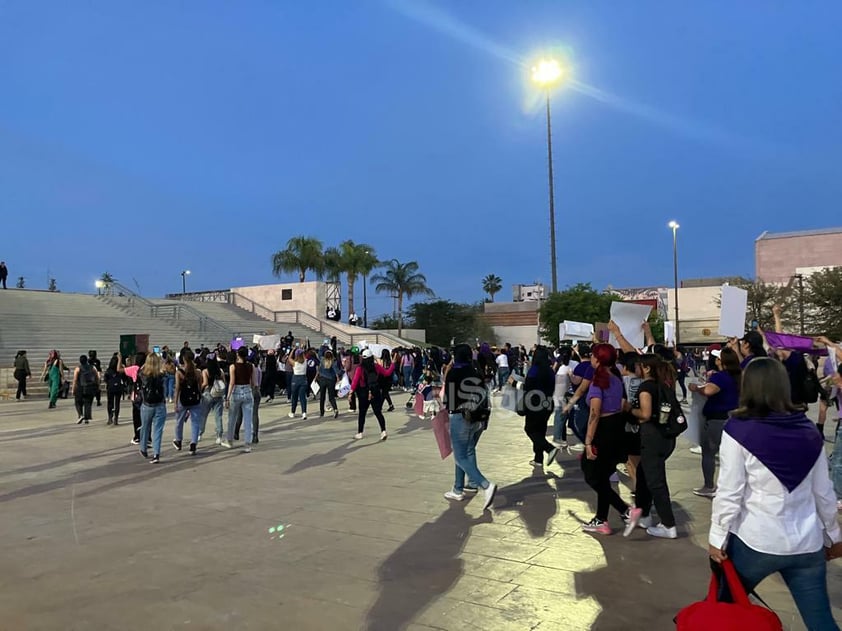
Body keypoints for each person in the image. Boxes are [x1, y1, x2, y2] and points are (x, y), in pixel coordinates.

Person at [708, 358, 842, 630]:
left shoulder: (737, 430)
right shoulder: (809, 432)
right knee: (821, 622)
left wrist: (717, 537)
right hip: (807, 544)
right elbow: (824, 493)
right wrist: (834, 536)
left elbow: (730, 493)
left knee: (722, 613)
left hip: (755, 543)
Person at [624, 354, 679, 539]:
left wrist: (629, 409)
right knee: (643, 474)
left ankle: (668, 524)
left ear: (646, 368)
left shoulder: (646, 386)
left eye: (639, 366)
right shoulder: (663, 384)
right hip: (665, 438)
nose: (636, 369)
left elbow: (645, 414)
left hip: (652, 438)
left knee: (656, 482)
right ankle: (644, 515)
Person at [580, 344, 631, 535]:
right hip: (616, 428)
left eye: (594, 356)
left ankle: (624, 510)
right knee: (602, 476)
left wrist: (588, 442)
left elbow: (594, 413)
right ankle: (602, 519)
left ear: (598, 359)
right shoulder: (616, 378)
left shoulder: (598, 383)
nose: (591, 359)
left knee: (591, 474)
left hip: (603, 431)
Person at [442, 344, 497, 510]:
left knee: (460, 456)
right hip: (476, 418)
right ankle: (458, 488)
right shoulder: (475, 371)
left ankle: (485, 485)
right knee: (468, 450)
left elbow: (449, 398)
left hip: (459, 417)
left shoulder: (454, 373)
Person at [689, 347, 741, 497]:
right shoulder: (737, 375)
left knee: (709, 452)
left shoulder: (721, 377)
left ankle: (709, 485)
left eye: (718, 358)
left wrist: (696, 388)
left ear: (721, 361)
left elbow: (708, 391)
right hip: (734, 417)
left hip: (717, 419)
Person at [511, 346, 559, 467]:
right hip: (547, 403)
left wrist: (514, 383)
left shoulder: (534, 370)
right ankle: (538, 458)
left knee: (530, 429)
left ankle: (550, 449)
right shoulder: (550, 371)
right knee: (540, 430)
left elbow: (528, 387)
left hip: (535, 404)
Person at [350, 348, 395, 441]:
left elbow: (355, 380)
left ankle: (360, 433)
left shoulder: (360, 368)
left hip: (363, 392)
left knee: (362, 413)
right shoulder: (376, 367)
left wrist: (351, 392)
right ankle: (383, 431)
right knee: (378, 412)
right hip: (375, 391)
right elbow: (387, 373)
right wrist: (393, 364)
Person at [223, 346, 257, 452]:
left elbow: (232, 382)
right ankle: (247, 444)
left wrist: (227, 397)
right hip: (247, 391)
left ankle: (230, 440)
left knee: (232, 418)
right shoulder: (251, 366)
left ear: (238, 354)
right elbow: (254, 382)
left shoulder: (233, 366)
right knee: (248, 419)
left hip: (236, 391)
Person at [172, 349, 205, 455]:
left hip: (183, 399)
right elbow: (200, 387)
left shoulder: (179, 373)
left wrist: (175, 402)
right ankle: (193, 444)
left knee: (179, 421)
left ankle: (178, 440)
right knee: (195, 422)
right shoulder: (198, 372)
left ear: (183, 359)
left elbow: (177, 388)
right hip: (195, 399)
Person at [138, 352, 168, 463]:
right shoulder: (161, 375)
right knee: (158, 430)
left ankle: (143, 448)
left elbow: (140, 372)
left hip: (147, 405)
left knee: (145, 427)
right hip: (160, 404)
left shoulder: (143, 374)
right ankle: (156, 454)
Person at [551, 347, 578, 446]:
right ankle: (557, 438)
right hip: (567, 393)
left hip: (558, 392)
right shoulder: (574, 364)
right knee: (562, 415)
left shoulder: (559, 365)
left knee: (560, 415)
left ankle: (559, 438)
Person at [200, 353, 226, 445]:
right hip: (218, 395)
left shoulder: (205, 371)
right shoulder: (220, 371)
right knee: (218, 417)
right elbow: (224, 382)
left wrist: (200, 388)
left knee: (203, 415)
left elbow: (205, 383)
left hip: (208, 394)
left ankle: (199, 433)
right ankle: (219, 436)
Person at [72, 355, 99, 424]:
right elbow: (97, 377)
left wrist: (73, 388)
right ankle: (86, 418)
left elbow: (75, 379)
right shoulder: (92, 367)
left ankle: (80, 415)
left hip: (80, 388)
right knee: (88, 403)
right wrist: (97, 385)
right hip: (90, 387)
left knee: (78, 402)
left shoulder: (78, 368)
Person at [317, 350, 341, 418]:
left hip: (322, 380)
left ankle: (322, 412)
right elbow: (337, 371)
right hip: (331, 380)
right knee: (331, 397)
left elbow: (319, 353)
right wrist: (339, 376)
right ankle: (335, 409)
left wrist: (322, 346)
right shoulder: (333, 362)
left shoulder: (322, 360)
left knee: (322, 397)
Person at [103, 353, 125, 425]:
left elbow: (105, 379)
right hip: (118, 388)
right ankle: (116, 418)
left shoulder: (108, 371)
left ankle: (110, 418)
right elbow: (125, 378)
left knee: (110, 402)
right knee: (117, 403)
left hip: (110, 387)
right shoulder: (120, 371)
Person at [287, 349, 309, 419]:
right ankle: (304, 413)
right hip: (303, 379)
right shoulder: (305, 361)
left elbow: (289, 358)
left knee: (294, 397)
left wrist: (293, 350)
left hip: (295, 379)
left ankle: (293, 412)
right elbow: (304, 356)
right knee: (303, 397)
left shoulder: (294, 363)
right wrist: (302, 349)